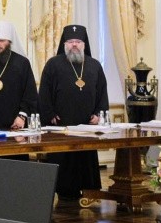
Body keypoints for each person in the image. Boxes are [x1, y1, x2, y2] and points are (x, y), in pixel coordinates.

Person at [39, 24, 109, 203]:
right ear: (64, 44)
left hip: (87, 125)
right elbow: (44, 93)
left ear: (84, 44)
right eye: (70, 41)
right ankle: (63, 192)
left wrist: (99, 114)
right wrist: (49, 114)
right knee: (63, 158)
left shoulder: (94, 65)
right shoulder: (53, 64)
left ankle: (89, 191)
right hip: (61, 125)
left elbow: (102, 92)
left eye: (78, 41)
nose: (74, 45)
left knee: (86, 158)